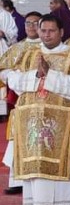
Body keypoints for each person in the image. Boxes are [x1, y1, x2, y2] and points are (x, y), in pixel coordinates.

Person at [7, 14, 70, 205]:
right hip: (31, 120)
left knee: (62, 171)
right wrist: (35, 75)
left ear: (61, 32)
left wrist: (49, 76)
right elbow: (13, 80)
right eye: (43, 30)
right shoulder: (27, 55)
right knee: (35, 170)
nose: (47, 34)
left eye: (52, 31)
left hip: (62, 122)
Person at [0, 11, 42, 195]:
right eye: (28, 23)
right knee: (18, 139)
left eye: (35, 23)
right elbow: (3, 69)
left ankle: (37, 177)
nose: (31, 26)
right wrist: (16, 79)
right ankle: (16, 180)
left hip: (43, 102)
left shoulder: (48, 47)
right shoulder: (17, 48)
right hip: (22, 100)